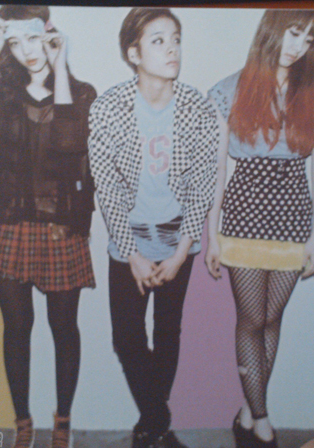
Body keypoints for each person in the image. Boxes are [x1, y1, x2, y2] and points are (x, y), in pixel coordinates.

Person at [0, 5, 96, 448]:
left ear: (50, 33)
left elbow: (70, 141)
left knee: (64, 330)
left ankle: (62, 420)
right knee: (17, 330)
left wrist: (60, 67)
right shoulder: (1, 92)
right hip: (10, 224)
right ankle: (22, 422)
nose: (26, 51)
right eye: (14, 43)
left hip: (62, 228)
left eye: (32, 38)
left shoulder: (81, 92)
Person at [88, 8, 218, 448]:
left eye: (176, 39)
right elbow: (106, 188)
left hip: (179, 236)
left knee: (167, 331)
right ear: (134, 53)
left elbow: (202, 185)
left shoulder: (197, 107)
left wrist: (181, 253)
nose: (172, 49)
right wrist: (133, 254)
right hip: (131, 237)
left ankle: (151, 426)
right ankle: (158, 420)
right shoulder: (109, 107)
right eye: (158, 40)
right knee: (126, 337)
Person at [205, 10, 314, 448]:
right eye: (294, 33)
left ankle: (247, 410)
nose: (299, 46)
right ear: (272, 30)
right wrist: (212, 235)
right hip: (244, 212)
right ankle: (261, 418)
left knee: (272, 318)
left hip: (294, 215)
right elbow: (216, 170)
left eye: (309, 39)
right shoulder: (229, 89)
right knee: (252, 319)